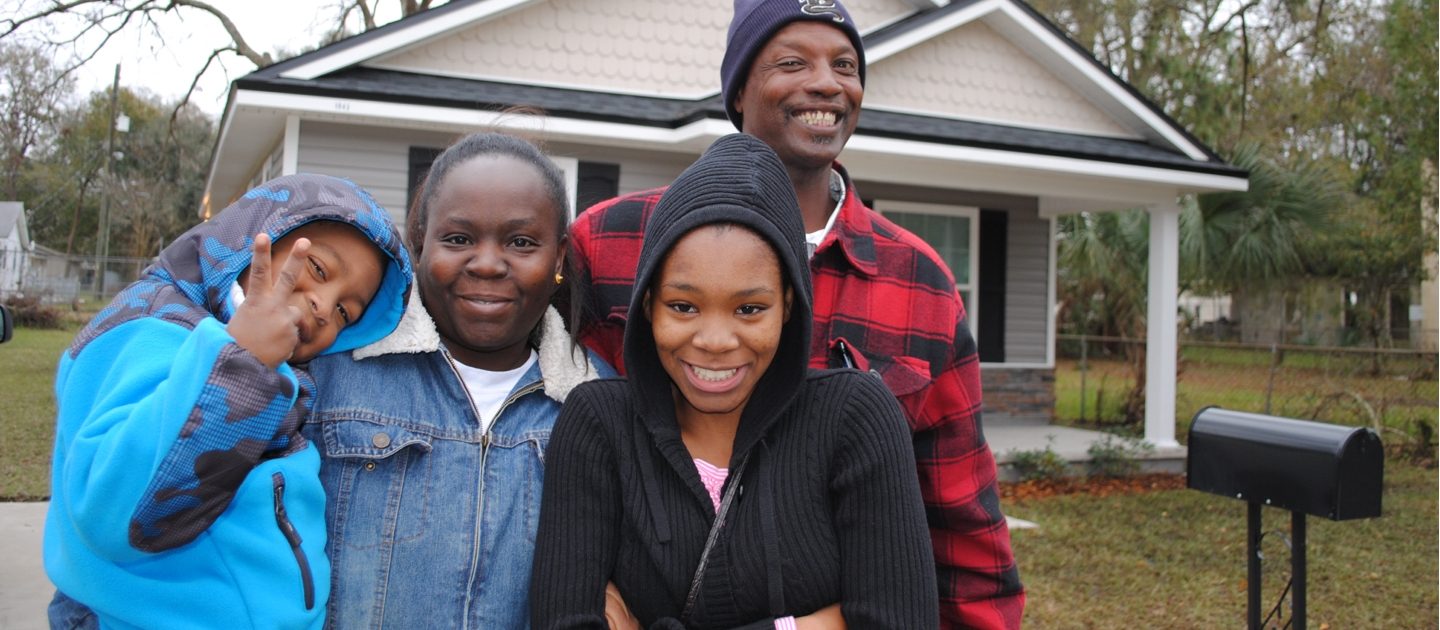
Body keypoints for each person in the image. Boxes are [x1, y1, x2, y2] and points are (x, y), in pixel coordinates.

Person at [571, 1, 1025, 627]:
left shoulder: (920, 282)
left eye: (845, 65)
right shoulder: (612, 240)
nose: (827, 82)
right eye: (793, 62)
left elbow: (961, 521)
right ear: (738, 92)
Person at [532, 133, 938, 628]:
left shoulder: (854, 417)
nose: (716, 340)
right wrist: (815, 623)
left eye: (749, 309)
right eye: (683, 306)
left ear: (789, 306)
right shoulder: (598, 423)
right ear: (646, 302)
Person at [44, 173, 414, 629]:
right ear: (255, 238)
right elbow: (117, 515)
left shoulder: (283, 378)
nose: (323, 305)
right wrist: (244, 362)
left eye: (345, 312)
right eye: (318, 269)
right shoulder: (150, 329)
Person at [301, 131, 613, 628]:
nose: (487, 264)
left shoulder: (598, 404)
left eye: (521, 242)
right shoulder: (331, 373)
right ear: (420, 242)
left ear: (557, 260)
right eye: (459, 239)